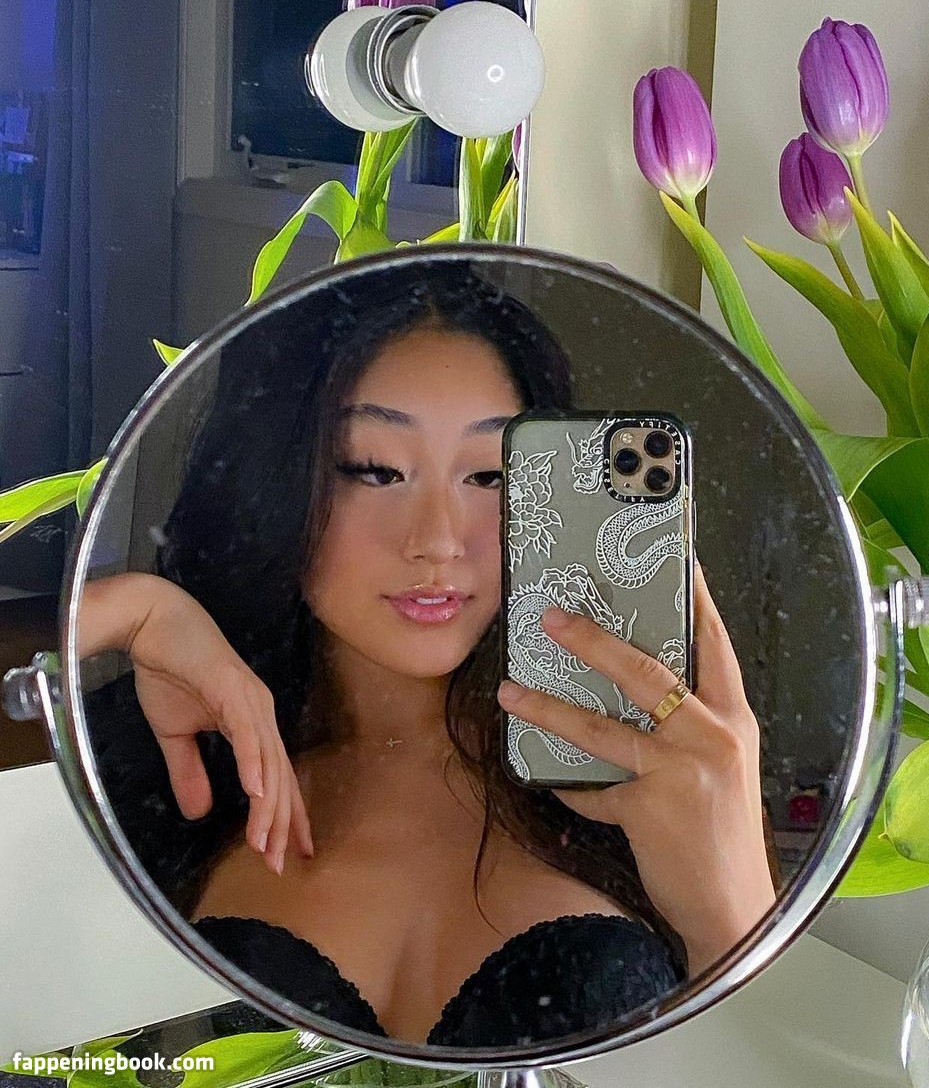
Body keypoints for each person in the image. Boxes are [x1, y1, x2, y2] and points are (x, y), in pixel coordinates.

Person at [78, 260, 777, 1048]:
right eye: (375, 471)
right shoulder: (161, 765)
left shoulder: (648, 785)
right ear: (273, 481)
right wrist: (125, 612)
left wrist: (731, 912)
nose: (439, 541)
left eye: (490, 475)